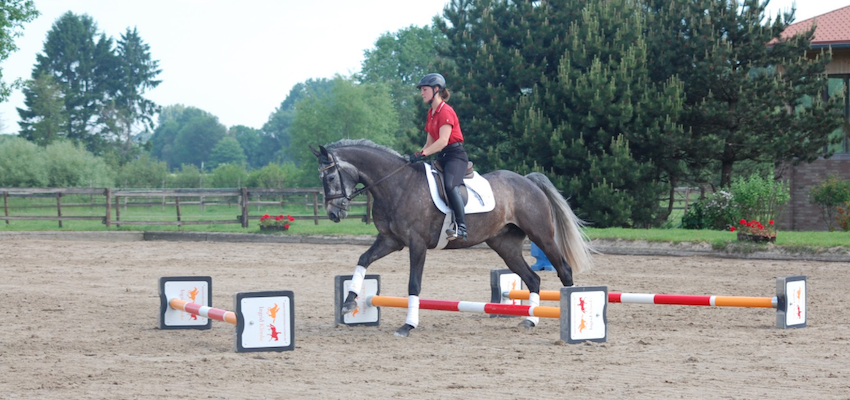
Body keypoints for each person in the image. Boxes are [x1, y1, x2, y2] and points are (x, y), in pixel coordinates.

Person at [410, 73, 469, 241]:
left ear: (436, 90)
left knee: (450, 186)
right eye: (421, 90)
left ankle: (462, 228)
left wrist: (424, 153)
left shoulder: (446, 111)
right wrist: (416, 155)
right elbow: (429, 144)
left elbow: (443, 140)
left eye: (424, 89)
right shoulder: (432, 113)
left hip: (455, 156)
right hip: (442, 156)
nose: (422, 93)